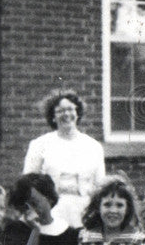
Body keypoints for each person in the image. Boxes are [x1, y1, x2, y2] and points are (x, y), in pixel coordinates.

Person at [23, 91, 107, 229]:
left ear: (77, 113)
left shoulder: (93, 146)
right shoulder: (40, 144)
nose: (66, 114)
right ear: (53, 117)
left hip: (85, 212)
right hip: (51, 212)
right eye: (60, 111)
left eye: (70, 109)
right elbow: (28, 184)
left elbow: (100, 186)